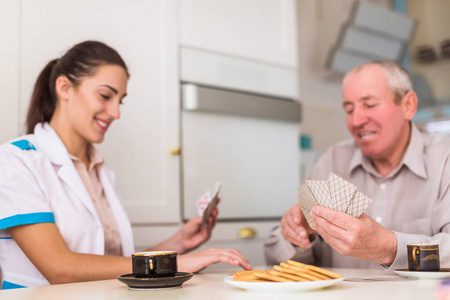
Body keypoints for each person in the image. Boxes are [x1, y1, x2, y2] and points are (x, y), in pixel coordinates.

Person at [0, 40, 251, 289]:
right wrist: (180, 263)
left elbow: (115, 265)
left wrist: (179, 243)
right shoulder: (15, 161)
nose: (115, 113)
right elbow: (61, 269)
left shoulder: (103, 172)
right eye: (105, 95)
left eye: (119, 100)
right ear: (64, 88)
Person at [264, 61, 450, 270]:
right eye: (349, 109)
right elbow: (275, 260)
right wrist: (297, 237)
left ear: (408, 106)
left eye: (369, 105)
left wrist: (389, 247)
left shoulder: (444, 160)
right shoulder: (333, 161)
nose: (356, 120)